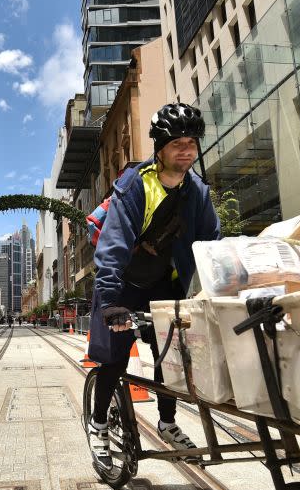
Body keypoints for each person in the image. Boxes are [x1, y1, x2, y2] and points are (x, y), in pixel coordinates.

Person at [86, 102, 220, 471]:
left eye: (192, 142)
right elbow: (113, 244)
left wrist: (223, 282)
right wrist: (111, 301)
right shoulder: (135, 185)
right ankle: (98, 424)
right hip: (126, 283)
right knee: (114, 358)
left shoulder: (197, 191)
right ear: (160, 147)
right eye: (178, 143)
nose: (187, 150)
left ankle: (167, 421)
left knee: (172, 352)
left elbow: (211, 243)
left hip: (165, 282)